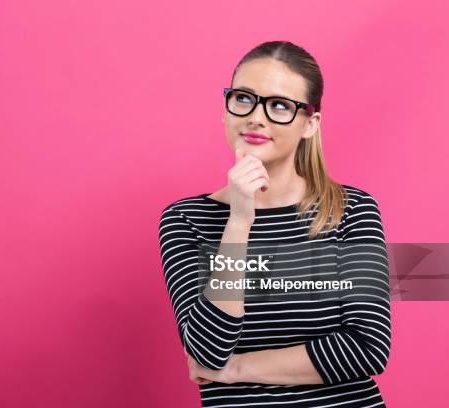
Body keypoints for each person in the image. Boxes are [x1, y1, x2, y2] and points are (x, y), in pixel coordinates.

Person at [158, 40, 391, 407]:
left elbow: (367, 347)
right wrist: (239, 220)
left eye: (279, 105)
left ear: (309, 124)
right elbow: (207, 349)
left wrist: (235, 369)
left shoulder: (352, 210)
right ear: (226, 109)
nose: (256, 117)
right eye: (244, 98)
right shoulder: (186, 219)